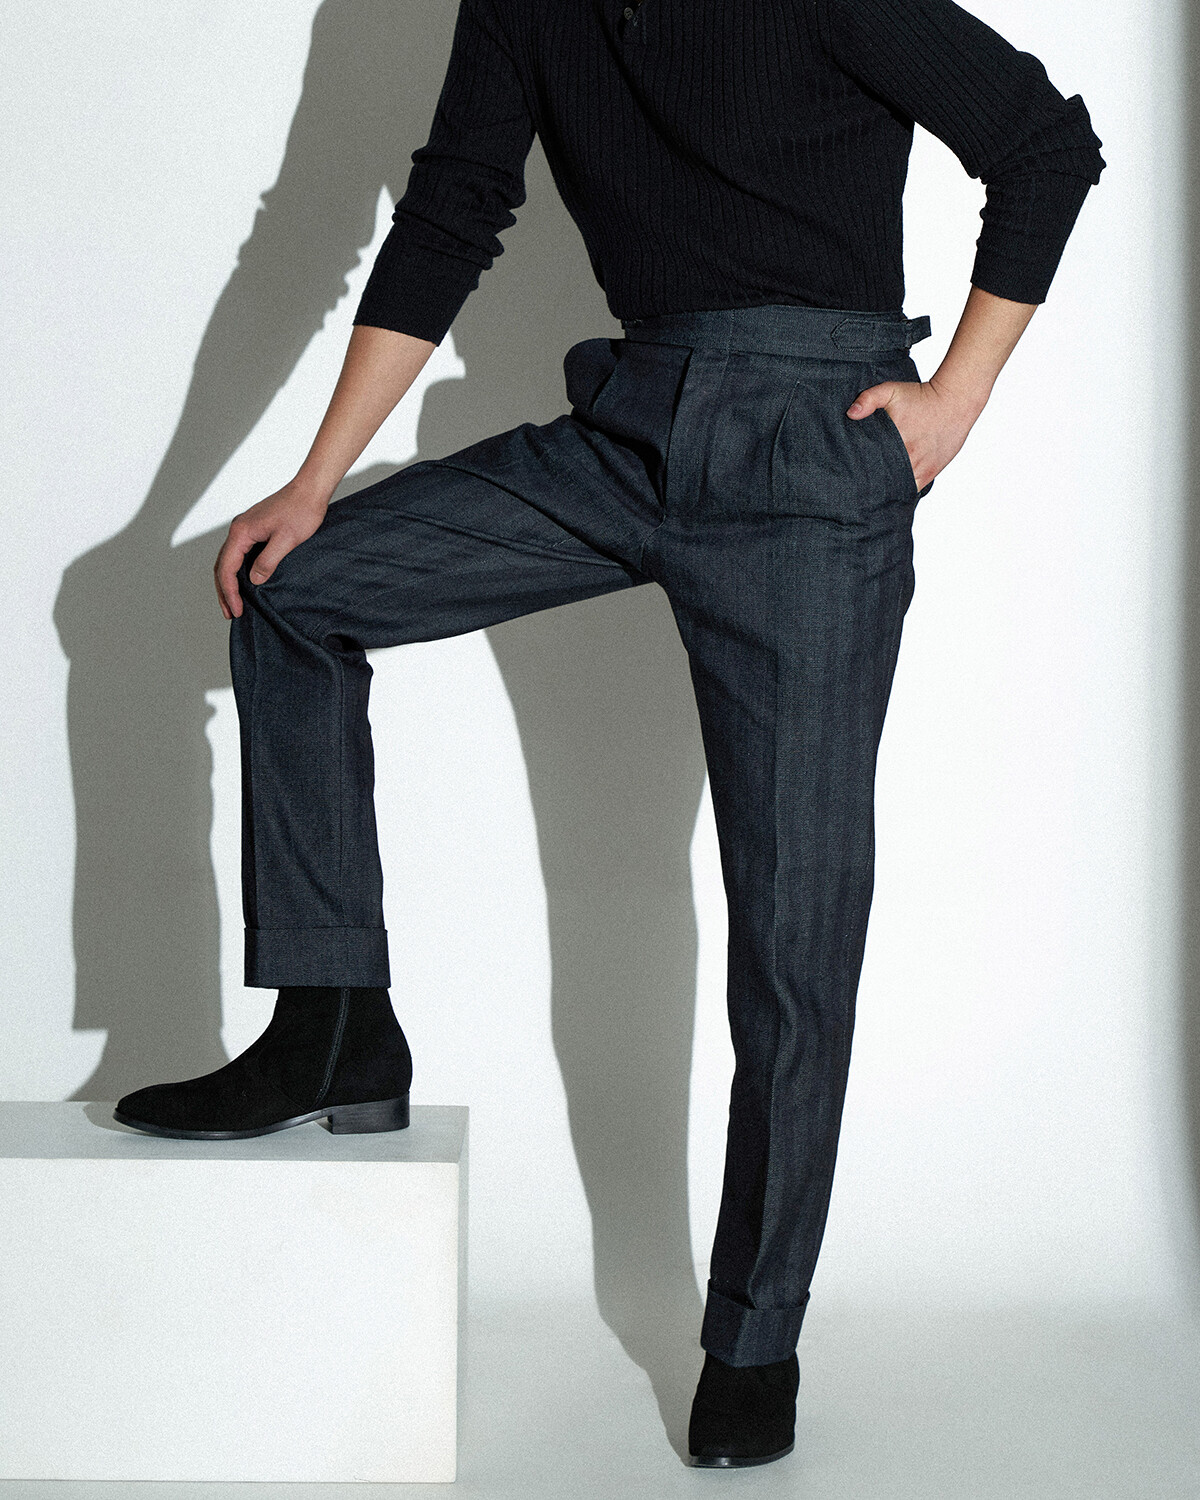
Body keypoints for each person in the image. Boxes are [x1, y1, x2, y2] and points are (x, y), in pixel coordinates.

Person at [112, 0, 1104, 1469]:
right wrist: (312, 481)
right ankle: (333, 1024)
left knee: (795, 925)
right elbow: (450, 214)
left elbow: (1044, 143)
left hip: (812, 446)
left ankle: (754, 1335)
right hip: (630, 424)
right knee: (296, 593)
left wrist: (954, 401)